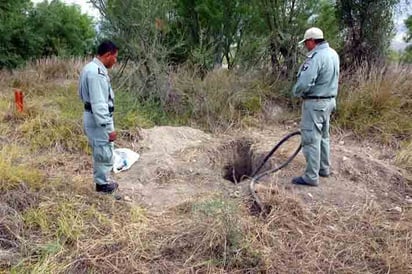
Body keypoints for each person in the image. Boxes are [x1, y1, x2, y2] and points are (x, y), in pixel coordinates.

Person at [291, 27, 340, 186]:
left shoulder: (316, 57)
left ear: (312, 41)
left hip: (315, 103)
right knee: (323, 136)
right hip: (329, 101)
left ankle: (311, 177)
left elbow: (304, 82)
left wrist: (296, 92)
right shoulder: (333, 53)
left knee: (311, 139)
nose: (306, 45)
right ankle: (323, 169)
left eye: (306, 42)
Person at [79, 41, 119, 193]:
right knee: (103, 151)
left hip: (92, 116)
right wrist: (109, 128)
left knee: (102, 150)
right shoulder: (96, 73)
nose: (115, 61)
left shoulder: (90, 68)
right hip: (98, 120)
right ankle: (102, 186)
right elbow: (99, 104)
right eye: (115, 57)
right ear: (107, 55)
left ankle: (103, 181)